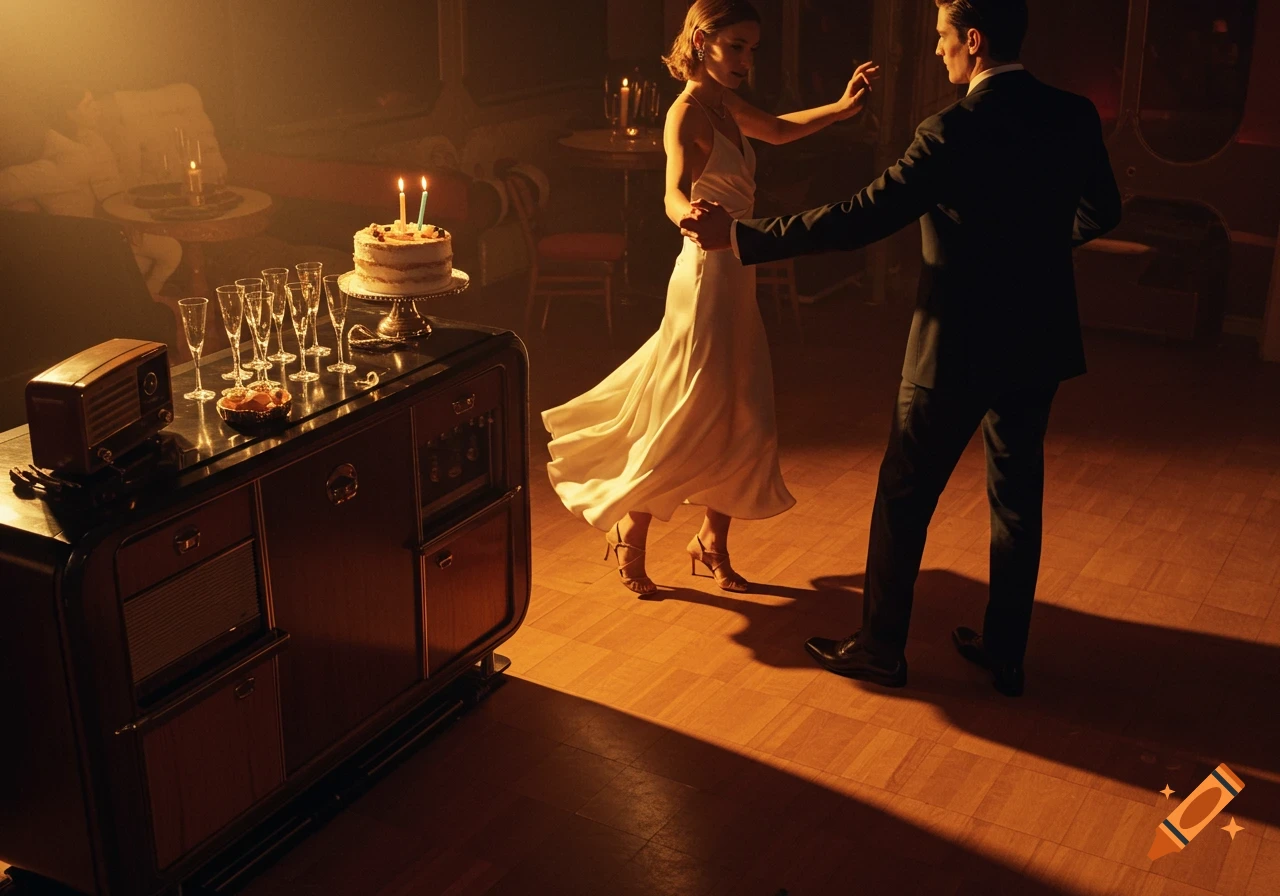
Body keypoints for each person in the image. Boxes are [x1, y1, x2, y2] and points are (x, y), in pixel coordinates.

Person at [682, 0, 1121, 694]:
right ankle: (1006, 651)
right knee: (1017, 496)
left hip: (956, 344)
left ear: (972, 41)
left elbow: (858, 219)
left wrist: (741, 237)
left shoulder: (951, 130)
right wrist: (1036, 252)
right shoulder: (1073, 114)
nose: (939, 48)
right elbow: (1104, 211)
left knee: (904, 494)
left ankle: (881, 648)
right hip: (1039, 336)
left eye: (943, 36)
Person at [542, 0, 878, 595]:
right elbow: (671, 191)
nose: (747, 59)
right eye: (737, 47)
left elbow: (778, 130)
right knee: (684, 410)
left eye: (753, 48)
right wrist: (686, 215)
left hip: (738, 272)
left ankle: (711, 543)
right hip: (704, 275)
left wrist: (843, 108)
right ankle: (632, 533)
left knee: (744, 412)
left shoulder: (724, 105)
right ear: (702, 42)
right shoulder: (687, 114)